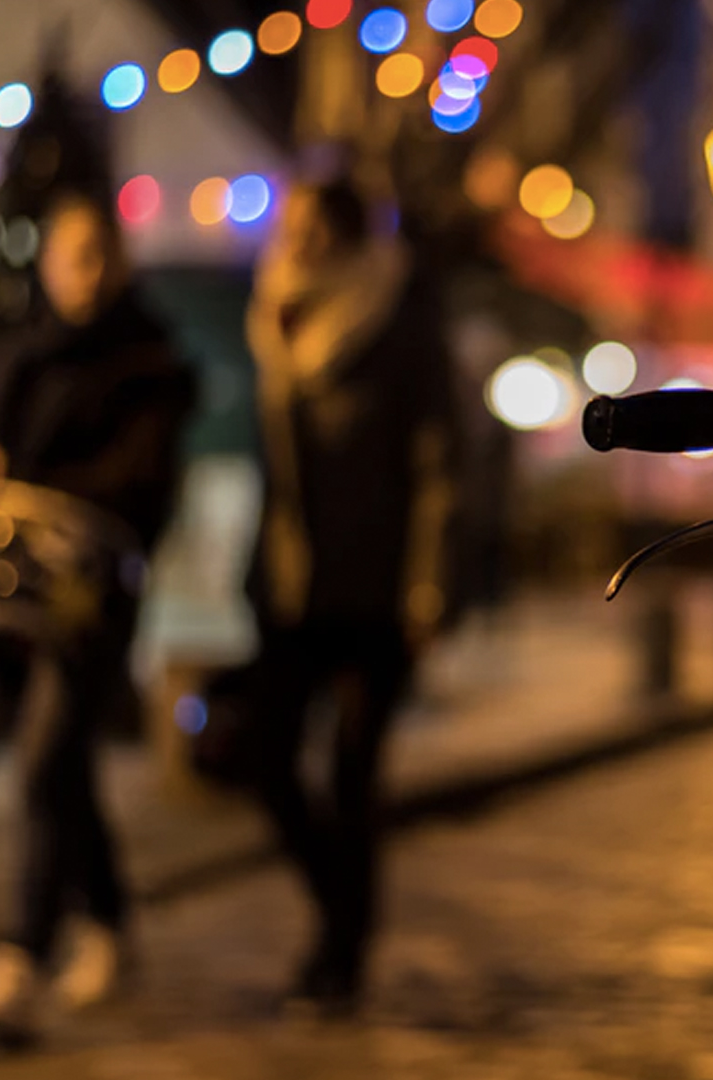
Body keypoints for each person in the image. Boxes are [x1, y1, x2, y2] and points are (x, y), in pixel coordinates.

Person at [0, 192, 195, 1040]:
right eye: (71, 256)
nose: (84, 275)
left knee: (42, 763)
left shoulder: (148, 364)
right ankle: (111, 925)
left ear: (121, 263)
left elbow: (142, 483)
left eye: (99, 256)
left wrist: (28, 486)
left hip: (87, 606)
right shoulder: (19, 353)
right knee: (65, 772)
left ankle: (21, 955)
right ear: (49, 263)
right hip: (7, 600)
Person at [242, 179, 454, 1014]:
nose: (294, 239)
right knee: (264, 758)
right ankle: (340, 915)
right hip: (292, 582)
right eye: (289, 224)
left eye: (310, 226)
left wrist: (427, 586)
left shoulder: (399, 321)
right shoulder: (276, 315)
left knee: (352, 775)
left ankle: (343, 952)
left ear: (346, 235)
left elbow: (437, 467)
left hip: (378, 585)